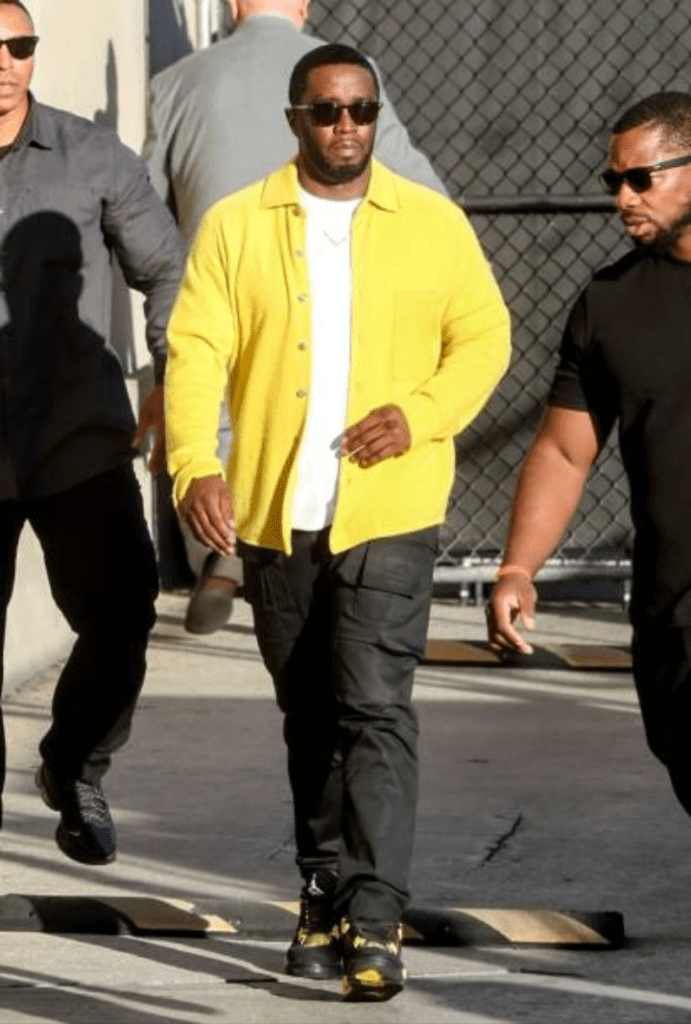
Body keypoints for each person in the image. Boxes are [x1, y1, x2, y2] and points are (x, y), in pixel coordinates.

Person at [165, 43, 509, 1002]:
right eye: (326, 112)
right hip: (278, 513)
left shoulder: (430, 225)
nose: (346, 127)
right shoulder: (239, 226)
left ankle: (375, 916)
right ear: (295, 121)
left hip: (390, 512)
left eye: (360, 109)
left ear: (375, 114)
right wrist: (197, 461)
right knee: (308, 715)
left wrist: (423, 411)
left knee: (373, 709)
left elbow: (483, 334)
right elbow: (194, 350)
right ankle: (320, 894)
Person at [144, 0, 448, 635]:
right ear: (304, 6)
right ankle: (313, 563)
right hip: (318, 278)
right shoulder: (347, 79)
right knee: (309, 417)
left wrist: (165, 365)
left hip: (215, 286)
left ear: (231, 6)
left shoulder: (172, 86)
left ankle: (224, 554)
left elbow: (150, 226)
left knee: (225, 413)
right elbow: (426, 195)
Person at [0, 0, 185, 865]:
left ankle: (74, 765)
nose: (5, 62)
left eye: (20, 45)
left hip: (75, 433)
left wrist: (173, 380)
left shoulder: (91, 156)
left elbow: (168, 273)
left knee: (120, 614)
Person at [487, 91, 691, 832]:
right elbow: (565, 449)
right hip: (670, 601)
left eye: (641, 178)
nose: (622, 199)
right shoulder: (609, 304)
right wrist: (516, 567)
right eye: (614, 181)